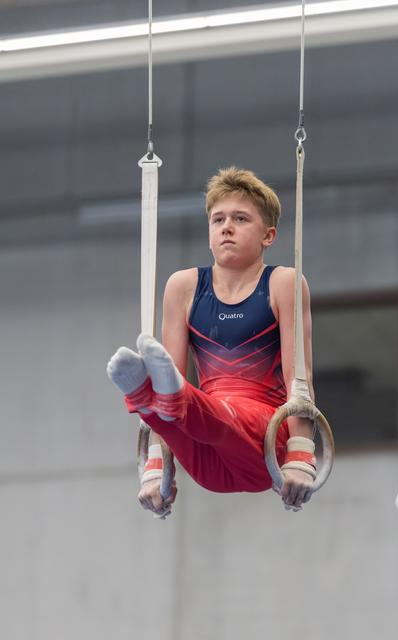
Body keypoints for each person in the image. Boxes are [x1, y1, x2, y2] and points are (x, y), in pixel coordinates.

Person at [107, 167, 317, 518]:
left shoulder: (284, 283)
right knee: (176, 401)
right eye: (217, 219)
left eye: (240, 218)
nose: (227, 227)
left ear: (269, 235)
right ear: (209, 233)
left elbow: (301, 378)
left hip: (265, 441)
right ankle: (148, 400)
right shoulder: (183, 287)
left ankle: (143, 396)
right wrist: (156, 467)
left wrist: (300, 456)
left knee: (196, 404)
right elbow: (170, 375)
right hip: (204, 457)